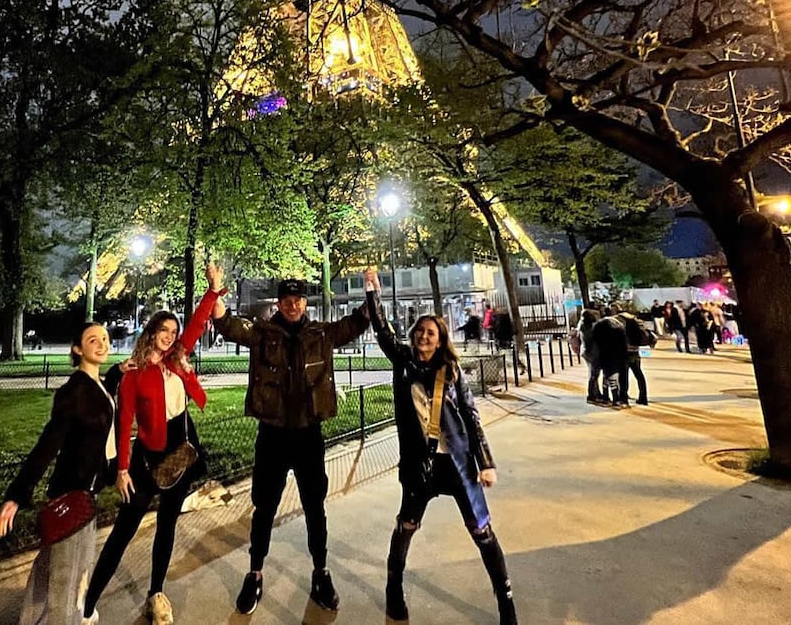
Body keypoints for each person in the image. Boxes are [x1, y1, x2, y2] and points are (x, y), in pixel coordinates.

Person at [209, 266, 371, 615]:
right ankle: (255, 573)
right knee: (264, 506)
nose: (293, 305)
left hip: (309, 432)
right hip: (273, 433)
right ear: (279, 303)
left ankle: (321, 572)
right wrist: (216, 290)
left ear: (304, 302)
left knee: (315, 505)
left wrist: (371, 290)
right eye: (287, 299)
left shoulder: (321, 334)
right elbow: (227, 325)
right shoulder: (263, 333)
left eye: (298, 299)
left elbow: (357, 323)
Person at [364, 269, 517, 624]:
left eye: (430, 333)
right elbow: (382, 330)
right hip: (420, 464)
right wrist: (374, 292)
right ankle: (394, 589)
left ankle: (505, 601)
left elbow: (470, 415)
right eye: (419, 331)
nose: (422, 336)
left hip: (459, 464)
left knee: (482, 531)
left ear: (440, 339)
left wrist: (486, 461)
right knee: (406, 526)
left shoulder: (452, 371)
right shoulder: (403, 361)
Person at [82, 268, 224, 625]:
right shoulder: (133, 373)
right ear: (151, 333)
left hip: (181, 457)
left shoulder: (179, 360)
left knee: (167, 526)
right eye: (164, 331)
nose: (170, 337)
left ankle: (156, 593)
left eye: (173, 333)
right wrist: (123, 469)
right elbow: (123, 421)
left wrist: (212, 291)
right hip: (148, 461)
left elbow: (196, 324)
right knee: (123, 533)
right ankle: (86, 607)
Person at [0, 323, 122, 625]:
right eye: (93, 340)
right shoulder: (74, 392)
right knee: (66, 584)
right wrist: (16, 495)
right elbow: (48, 444)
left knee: (47, 573)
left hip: (83, 493)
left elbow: (101, 410)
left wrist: (117, 374)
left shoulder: (97, 385)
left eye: (104, 338)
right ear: (78, 350)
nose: (102, 344)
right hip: (72, 496)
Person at [577, 308, 604, 404]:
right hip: (592, 352)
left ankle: (596, 393)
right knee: (594, 375)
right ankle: (591, 395)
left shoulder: (581, 325)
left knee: (592, 373)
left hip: (585, 351)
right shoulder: (591, 327)